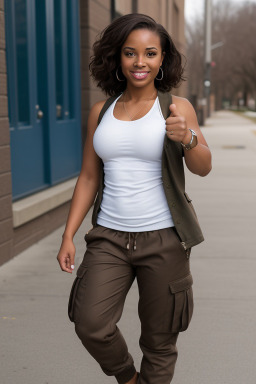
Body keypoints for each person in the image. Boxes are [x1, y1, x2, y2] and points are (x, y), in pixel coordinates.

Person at [57, 13, 212, 384]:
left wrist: (187, 137)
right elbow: (90, 176)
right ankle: (128, 378)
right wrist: (68, 234)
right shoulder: (102, 111)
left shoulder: (176, 108)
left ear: (162, 60)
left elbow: (203, 167)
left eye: (150, 53)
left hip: (165, 239)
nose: (140, 62)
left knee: (159, 341)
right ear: (117, 58)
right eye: (130, 53)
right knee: (91, 322)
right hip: (109, 238)